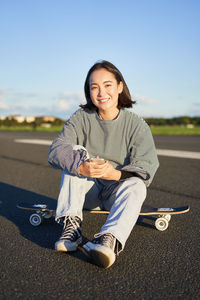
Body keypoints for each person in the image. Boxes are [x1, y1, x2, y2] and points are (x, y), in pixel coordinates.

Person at [48, 60, 159, 269]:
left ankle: (109, 240)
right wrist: (82, 167)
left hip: (115, 194)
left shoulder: (137, 125)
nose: (101, 93)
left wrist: (115, 174)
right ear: (89, 91)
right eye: (94, 87)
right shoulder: (81, 117)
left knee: (137, 185)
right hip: (87, 192)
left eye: (107, 85)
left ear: (119, 87)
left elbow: (147, 168)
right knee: (75, 155)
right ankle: (72, 229)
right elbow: (55, 150)